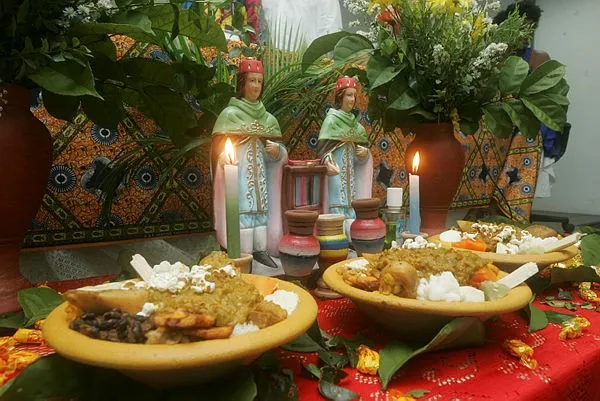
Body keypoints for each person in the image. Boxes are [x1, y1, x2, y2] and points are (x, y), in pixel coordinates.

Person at [211, 58, 288, 267]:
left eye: (259, 81)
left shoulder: (269, 119)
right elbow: (217, 149)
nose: (256, 86)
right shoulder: (230, 115)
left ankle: (261, 250)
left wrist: (277, 152)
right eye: (252, 81)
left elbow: (278, 154)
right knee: (244, 215)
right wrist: (223, 157)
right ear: (242, 83)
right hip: (239, 180)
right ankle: (244, 254)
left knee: (261, 215)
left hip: (261, 181)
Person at [494, 1, 562, 198]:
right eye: (523, 27)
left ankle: (517, 204)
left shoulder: (538, 58)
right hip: (500, 122)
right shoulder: (497, 56)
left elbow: (545, 98)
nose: (528, 34)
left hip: (528, 125)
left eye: (532, 28)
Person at [318, 76, 373, 238]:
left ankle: (350, 235)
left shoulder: (357, 127)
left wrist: (364, 155)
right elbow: (322, 150)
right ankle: (337, 235)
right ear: (340, 97)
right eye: (349, 95)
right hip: (335, 173)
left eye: (354, 96)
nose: (352, 99)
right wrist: (327, 162)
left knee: (350, 204)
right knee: (337, 202)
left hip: (350, 176)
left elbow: (360, 157)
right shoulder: (331, 121)